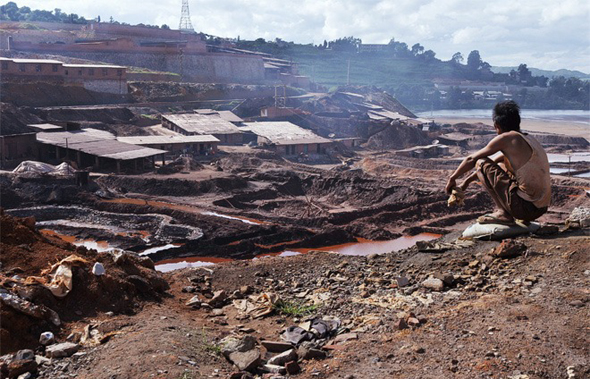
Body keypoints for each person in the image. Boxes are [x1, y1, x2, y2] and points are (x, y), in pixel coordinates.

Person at [445, 101, 551, 224]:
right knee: (500, 165)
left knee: (480, 162)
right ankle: (513, 213)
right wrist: (466, 182)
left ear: (497, 125)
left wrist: (452, 179)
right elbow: (491, 167)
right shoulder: (527, 138)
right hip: (540, 208)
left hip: (524, 208)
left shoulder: (506, 138)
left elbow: (472, 160)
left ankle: (503, 213)